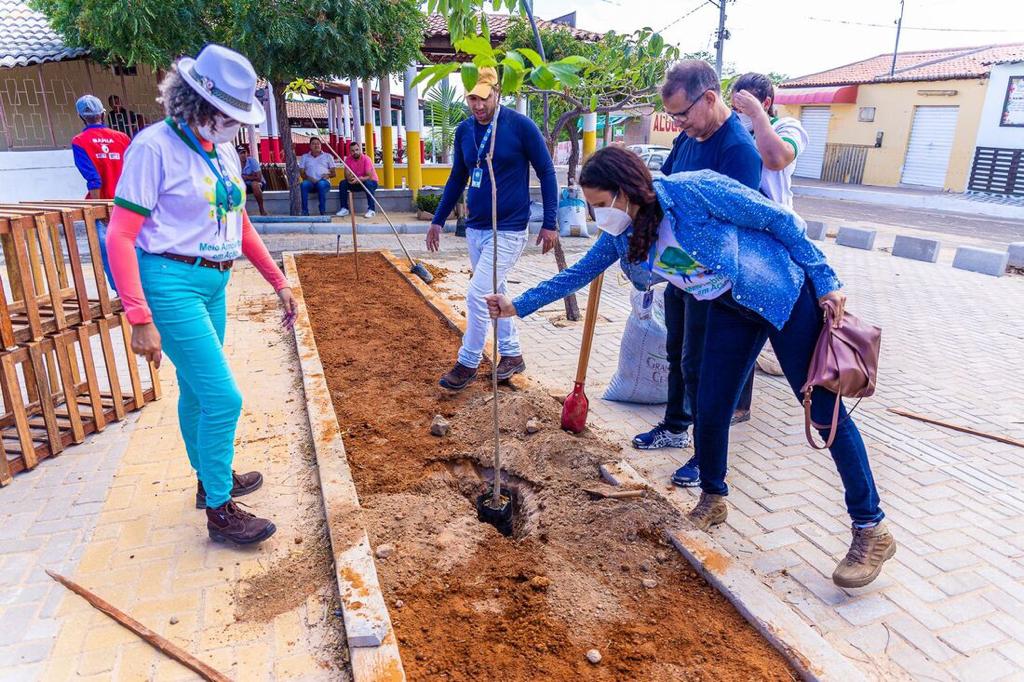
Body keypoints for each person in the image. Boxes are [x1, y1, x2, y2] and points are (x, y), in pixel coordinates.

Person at [486, 147, 896, 588]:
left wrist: (827, 280)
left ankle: (870, 527)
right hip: (730, 308)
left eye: (600, 204)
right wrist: (516, 305)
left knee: (823, 414)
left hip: (780, 293)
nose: (596, 214)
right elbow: (578, 274)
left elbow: (779, 220)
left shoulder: (693, 190)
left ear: (625, 191)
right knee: (710, 405)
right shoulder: (622, 234)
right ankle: (713, 498)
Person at [106, 44, 299, 546]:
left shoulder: (222, 150)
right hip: (170, 283)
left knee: (196, 391)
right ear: (197, 104)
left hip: (215, 282)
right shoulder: (153, 148)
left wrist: (278, 281)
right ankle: (219, 509)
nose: (235, 127)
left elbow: (242, 224)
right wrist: (139, 317)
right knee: (223, 398)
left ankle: (209, 477)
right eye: (228, 117)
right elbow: (120, 235)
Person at [636, 59, 762, 491]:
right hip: (682, 271)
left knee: (704, 368)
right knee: (677, 352)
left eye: (682, 114)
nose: (679, 124)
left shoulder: (738, 151)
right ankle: (675, 425)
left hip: (716, 281)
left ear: (709, 98)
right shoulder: (688, 138)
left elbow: (735, 224)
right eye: (672, 117)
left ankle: (705, 457)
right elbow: (665, 188)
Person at [426, 66, 559, 390]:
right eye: (472, 98)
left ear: (497, 92)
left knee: (477, 294)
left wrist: (550, 222)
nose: (478, 105)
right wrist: (438, 220)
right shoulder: (464, 131)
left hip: (509, 228)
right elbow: (457, 178)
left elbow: (546, 171)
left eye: (484, 98)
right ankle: (512, 354)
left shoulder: (520, 126)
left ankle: (468, 361)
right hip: (476, 229)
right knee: (494, 292)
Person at [71, 94, 131, 290]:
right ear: (103, 114)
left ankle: (122, 292)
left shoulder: (79, 141)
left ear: (81, 117)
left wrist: (100, 209)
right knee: (135, 249)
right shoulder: (122, 138)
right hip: (127, 204)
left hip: (103, 206)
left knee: (108, 253)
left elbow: (94, 179)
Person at [730, 72, 809, 209]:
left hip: (775, 214)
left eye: (744, 107)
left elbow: (776, 160)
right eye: (735, 108)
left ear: (766, 103)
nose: (739, 113)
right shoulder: (733, 131)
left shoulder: (786, 127)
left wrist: (757, 114)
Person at [336, 143, 379, 219]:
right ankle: (344, 208)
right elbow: (346, 175)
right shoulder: (348, 159)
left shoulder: (366, 159)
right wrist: (349, 179)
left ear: (360, 150)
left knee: (367, 183)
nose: (355, 152)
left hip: (370, 182)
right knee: (343, 183)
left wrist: (359, 179)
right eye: (352, 151)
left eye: (356, 150)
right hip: (357, 182)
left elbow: (369, 176)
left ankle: (371, 210)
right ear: (350, 152)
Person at [298, 137, 335, 216]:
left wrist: (327, 175)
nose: (316, 145)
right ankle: (305, 212)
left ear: (321, 145)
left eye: (318, 144)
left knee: (321, 184)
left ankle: (322, 211)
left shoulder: (328, 156)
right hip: (310, 183)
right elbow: (302, 173)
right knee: (303, 185)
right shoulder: (304, 157)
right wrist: (309, 178)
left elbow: (333, 174)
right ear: (310, 146)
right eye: (313, 144)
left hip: (324, 182)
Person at [237, 144, 268, 216]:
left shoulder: (252, 161)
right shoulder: (234, 164)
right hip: (244, 185)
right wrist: (251, 176)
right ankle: (240, 212)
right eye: (240, 153)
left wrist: (246, 177)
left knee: (255, 184)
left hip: (259, 184)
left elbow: (259, 178)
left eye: (244, 152)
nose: (243, 155)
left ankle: (261, 209)